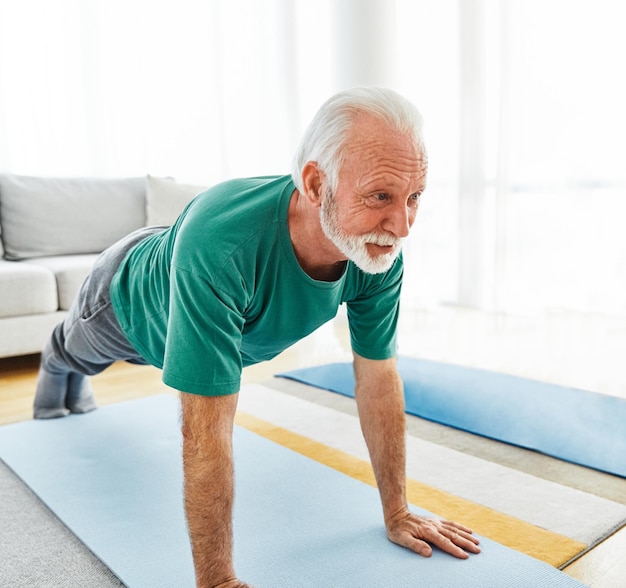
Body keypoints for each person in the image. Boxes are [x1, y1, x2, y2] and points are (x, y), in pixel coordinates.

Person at [33, 87, 480, 588]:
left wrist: (398, 511)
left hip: (186, 280)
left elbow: (377, 377)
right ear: (316, 183)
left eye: (413, 197)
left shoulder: (375, 249)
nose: (402, 225)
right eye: (380, 196)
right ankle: (55, 368)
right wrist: (218, 581)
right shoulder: (223, 244)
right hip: (123, 301)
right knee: (75, 356)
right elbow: (204, 431)